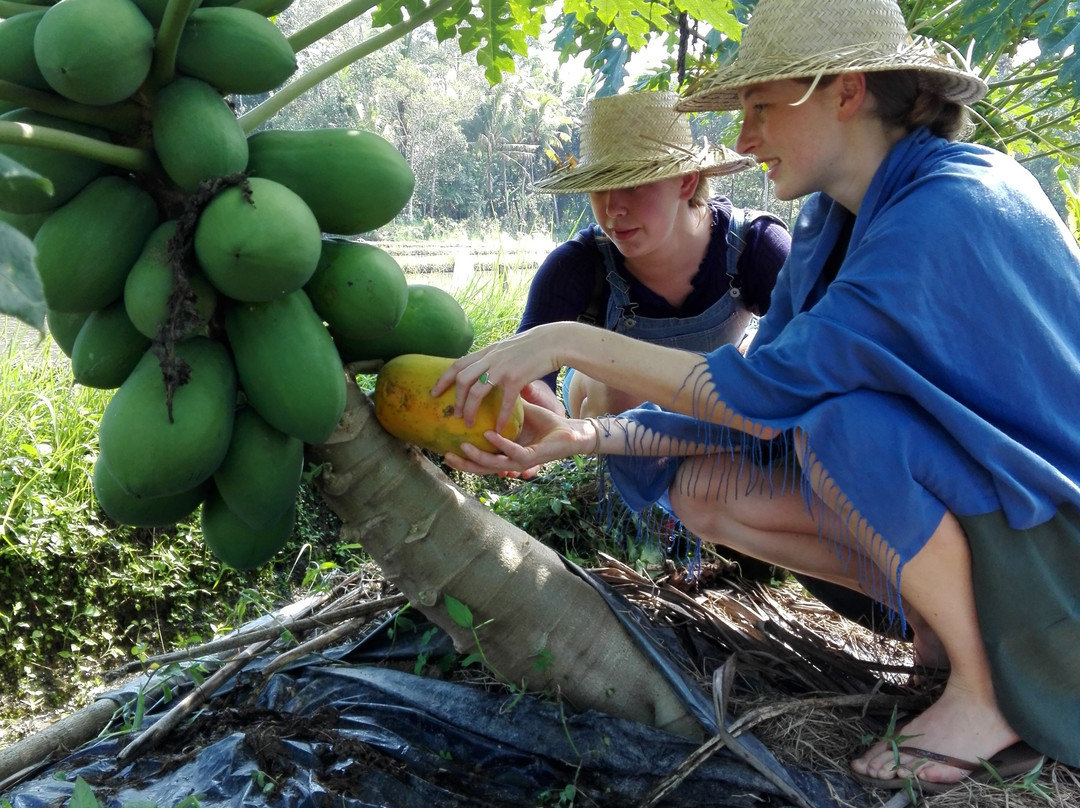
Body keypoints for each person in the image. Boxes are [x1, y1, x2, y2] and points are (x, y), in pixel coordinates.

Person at [431, 0, 1080, 792]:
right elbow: (756, 412)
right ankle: (943, 641)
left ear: (843, 91)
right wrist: (585, 438)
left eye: (760, 108)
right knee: (703, 491)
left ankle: (989, 692)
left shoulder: (948, 207)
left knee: (845, 428)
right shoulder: (832, 223)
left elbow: (767, 393)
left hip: (1056, 539)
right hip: (988, 516)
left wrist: (564, 341)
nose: (742, 139)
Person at [518, 90, 791, 419]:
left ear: (686, 182)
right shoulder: (575, 265)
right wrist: (536, 404)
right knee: (624, 386)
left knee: (760, 354)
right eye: (599, 186)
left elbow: (809, 351)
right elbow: (529, 375)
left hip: (714, 396)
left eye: (634, 184)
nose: (612, 209)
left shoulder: (756, 245)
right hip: (610, 396)